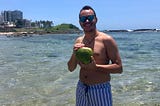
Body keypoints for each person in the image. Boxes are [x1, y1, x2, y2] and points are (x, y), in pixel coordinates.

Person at [67, 5, 123, 106]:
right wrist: (74, 53)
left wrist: (96, 67)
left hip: (100, 89)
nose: (87, 21)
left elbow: (119, 68)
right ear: (80, 22)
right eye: (83, 18)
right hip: (81, 87)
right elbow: (71, 68)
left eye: (90, 17)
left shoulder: (106, 40)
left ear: (96, 19)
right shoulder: (79, 41)